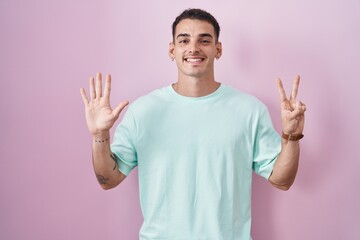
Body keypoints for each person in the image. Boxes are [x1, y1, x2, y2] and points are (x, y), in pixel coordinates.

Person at [80, 8, 306, 240]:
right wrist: (100, 134)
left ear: (218, 50)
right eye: (184, 40)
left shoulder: (250, 110)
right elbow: (108, 179)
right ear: (172, 50)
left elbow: (282, 180)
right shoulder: (143, 111)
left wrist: (291, 137)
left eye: (204, 40)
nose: (193, 48)